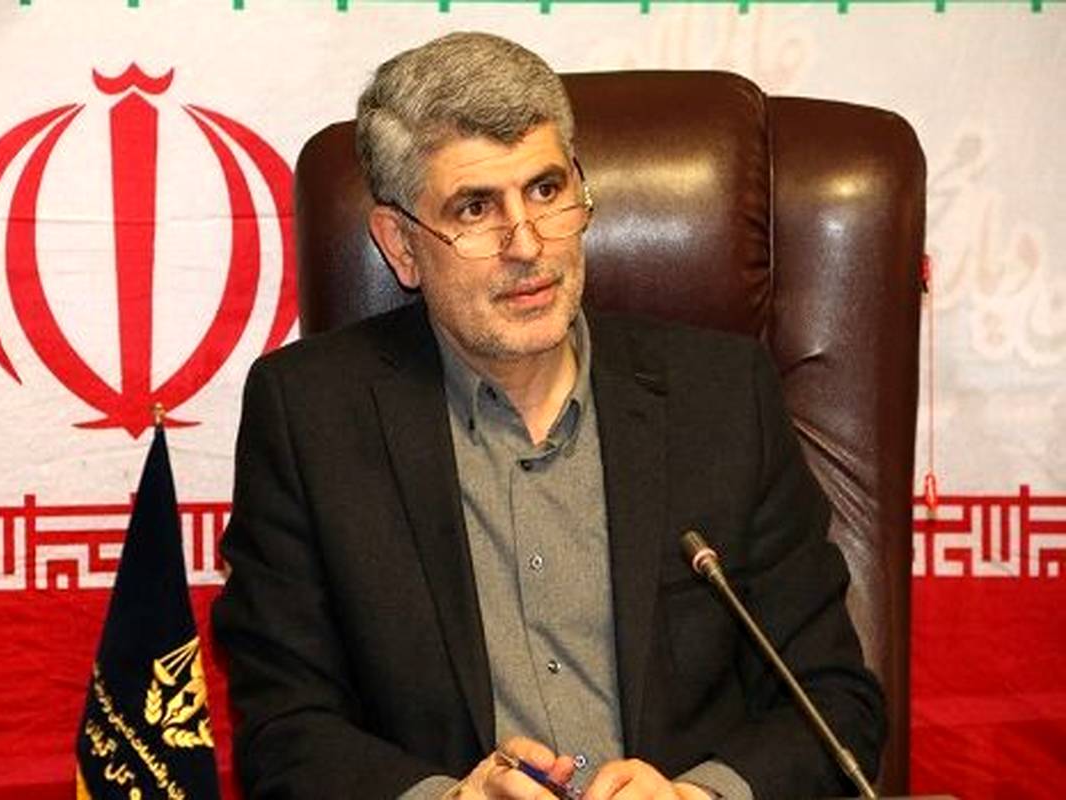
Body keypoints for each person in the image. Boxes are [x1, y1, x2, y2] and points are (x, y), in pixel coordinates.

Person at [213, 32, 885, 800]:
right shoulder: (309, 417)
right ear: (400, 246)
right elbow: (284, 730)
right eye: (475, 208)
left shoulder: (723, 398)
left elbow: (835, 703)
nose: (528, 244)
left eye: (545, 190)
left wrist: (699, 796)